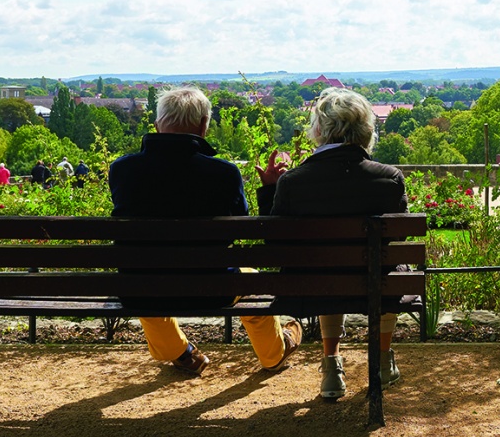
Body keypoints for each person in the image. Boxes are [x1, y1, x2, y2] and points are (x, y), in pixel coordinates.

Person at [109, 85, 302, 375]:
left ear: (158, 125)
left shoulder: (122, 170)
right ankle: (275, 352)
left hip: (142, 287)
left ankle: (181, 353)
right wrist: (270, 190)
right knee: (254, 282)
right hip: (213, 289)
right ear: (203, 126)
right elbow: (242, 226)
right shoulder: (224, 173)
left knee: (143, 275)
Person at [254, 87, 407, 399]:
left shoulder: (293, 182)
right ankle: (382, 362)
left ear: (320, 130)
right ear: (366, 131)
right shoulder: (389, 178)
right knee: (388, 268)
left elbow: (272, 241)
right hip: (374, 283)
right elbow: (398, 238)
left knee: (326, 269)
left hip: (311, 286)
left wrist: (270, 189)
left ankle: (331, 368)